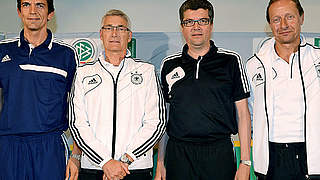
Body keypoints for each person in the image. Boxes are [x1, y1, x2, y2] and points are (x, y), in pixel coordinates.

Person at [154, 0, 251, 179]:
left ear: (211, 25)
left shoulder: (231, 61)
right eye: (189, 22)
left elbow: (243, 113)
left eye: (202, 21)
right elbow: (165, 117)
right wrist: (160, 162)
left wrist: (245, 162)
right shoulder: (168, 65)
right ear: (182, 27)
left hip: (219, 153)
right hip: (178, 155)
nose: (196, 27)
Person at [69, 9, 166, 180]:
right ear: (101, 34)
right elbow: (78, 124)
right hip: (94, 168)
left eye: (121, 28)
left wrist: (125, 160)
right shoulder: (84, 73)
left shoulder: (146, 71)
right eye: (109, 28)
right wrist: (105, 162)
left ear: (129, 36)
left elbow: (156, 122)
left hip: (134, 168)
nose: (114, 33)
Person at [0, 0, 80, 179]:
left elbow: (78, 109)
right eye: (27, 5)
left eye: (40, 5)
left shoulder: (66, 54)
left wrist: (76, 155)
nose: (33, 11)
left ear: (51, 13)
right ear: (19, 12)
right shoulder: (3, 51)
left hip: (49, 147)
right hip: (8, 145)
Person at [246, 0, 320, 179]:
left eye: (290, 17)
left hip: (313, 155)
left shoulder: (317, 58)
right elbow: (250, 113)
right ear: (270, 24)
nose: (284, 25)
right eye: (276, 19)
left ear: (301, 18)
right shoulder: (254, 65)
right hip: (272, 158)